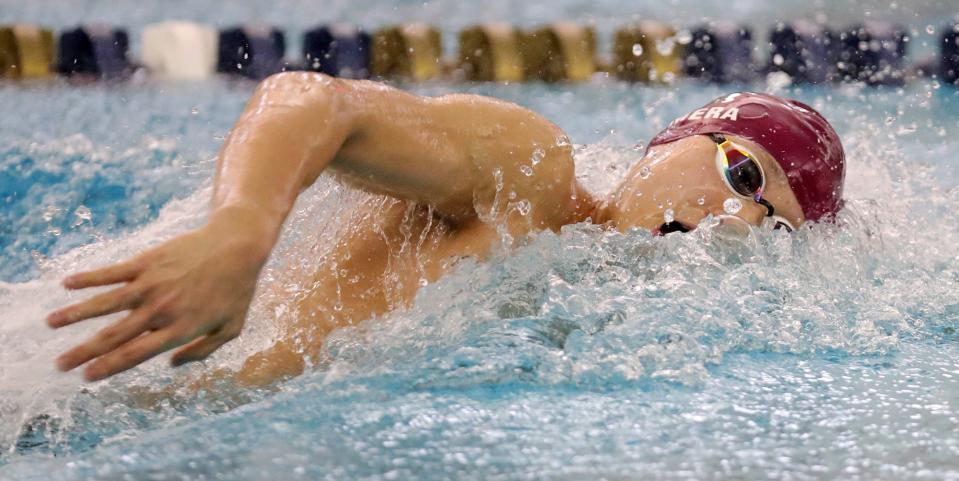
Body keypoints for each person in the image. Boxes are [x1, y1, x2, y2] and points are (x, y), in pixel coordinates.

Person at [46, 73, 845, 386]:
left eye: (771, 227)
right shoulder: (526, 174)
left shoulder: (583, 320)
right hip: (80, 363)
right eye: (744, 175)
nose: (739, 221)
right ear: (675, 141)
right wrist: (240, 232)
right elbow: (315, 101)